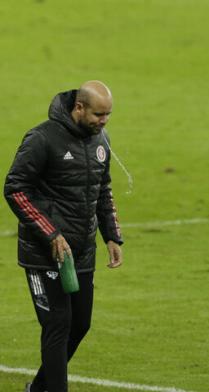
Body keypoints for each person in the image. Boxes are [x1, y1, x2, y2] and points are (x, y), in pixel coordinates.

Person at [3, 81, 123, 392]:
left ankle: (39, 388)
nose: (104, 121)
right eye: (99, 114)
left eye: (108, 115)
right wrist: (50, 233)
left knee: (80, 325)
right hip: (44, 254)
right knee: (57, 326)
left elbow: (103, 190)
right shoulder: (42, 138)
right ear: (79, 108)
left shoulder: (101, 140)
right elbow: (15, 189)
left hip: (81, 251)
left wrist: (111, 235)